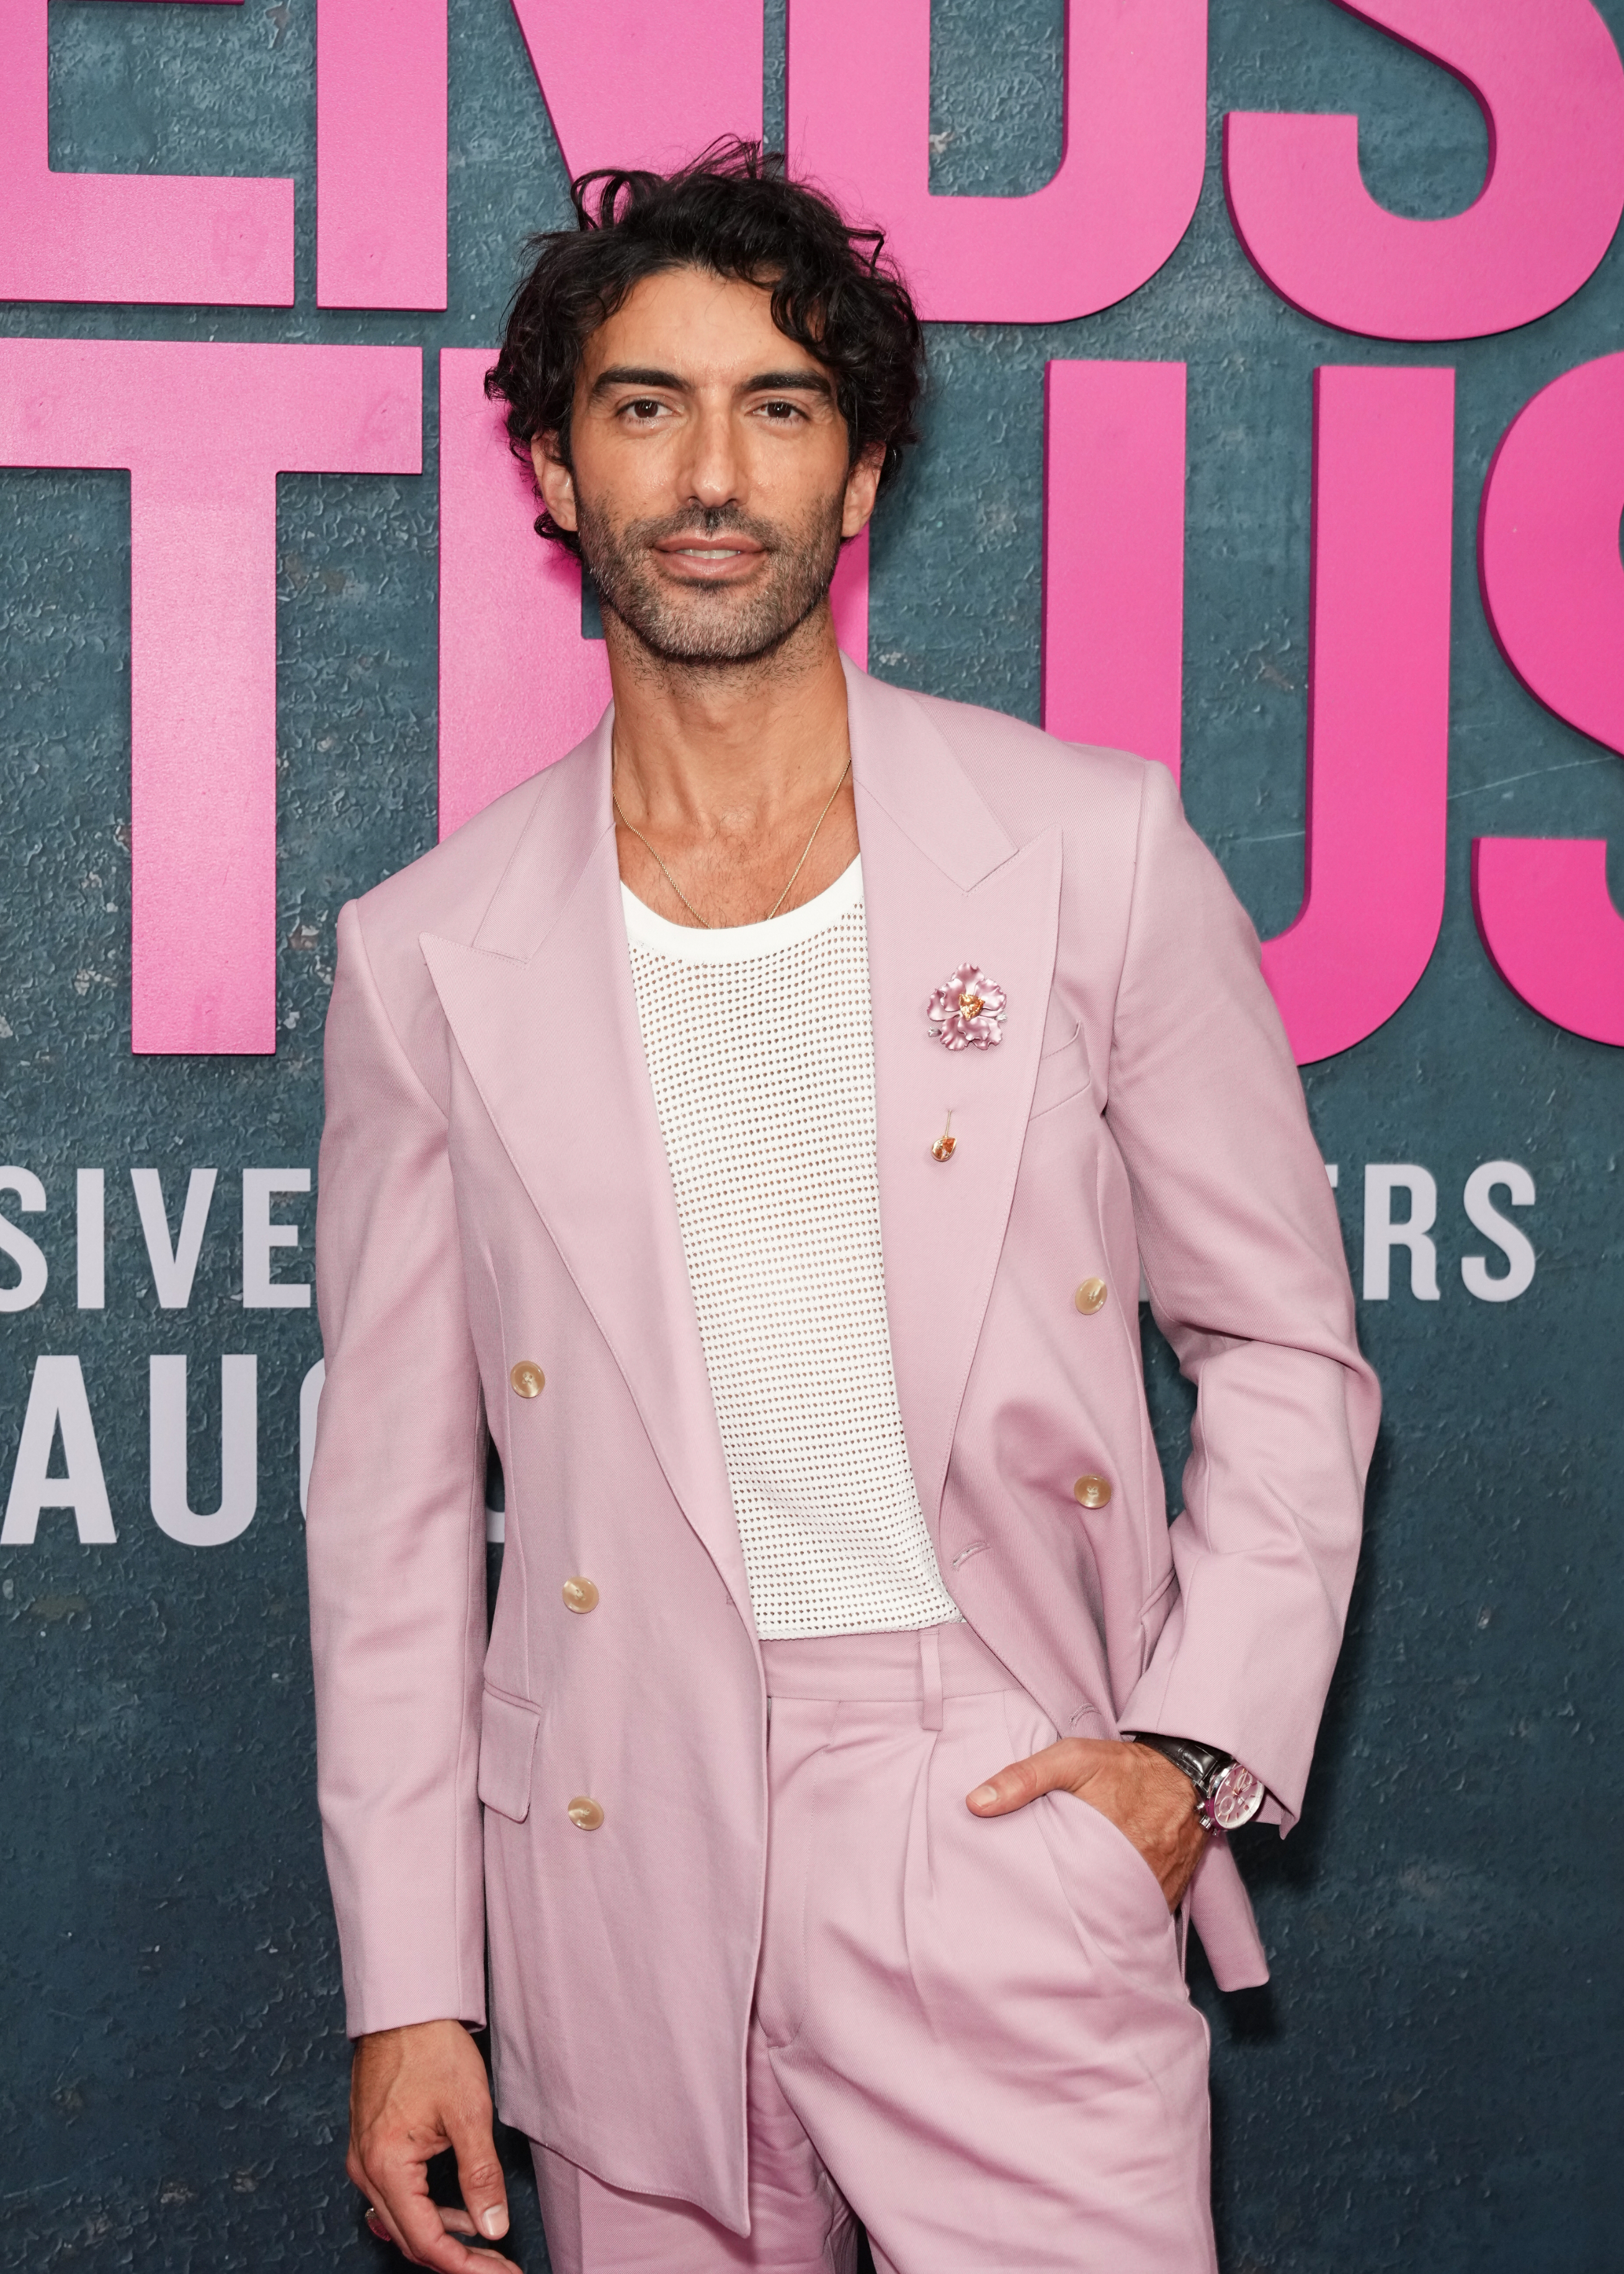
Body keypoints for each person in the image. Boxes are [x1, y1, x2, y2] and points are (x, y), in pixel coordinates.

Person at [305, 141, 1378, 2274]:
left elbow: (1279, 1344)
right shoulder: (422, 951)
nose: (712, 471)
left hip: (996, 1805)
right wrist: (409, 1980)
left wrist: (1181, 1750)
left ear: (860, 473)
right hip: (616, 1841)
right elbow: (397, 1512)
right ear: (549, 463)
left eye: (778, 407)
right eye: (645, 405)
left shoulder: (1087, 850)